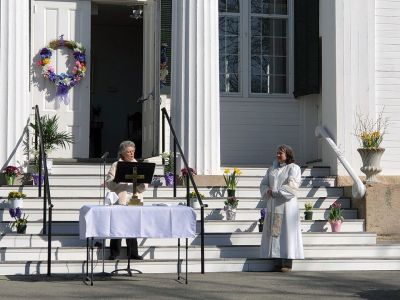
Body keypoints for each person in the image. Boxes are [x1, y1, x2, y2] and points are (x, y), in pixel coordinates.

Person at [259, 144, 304, 272]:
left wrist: (275, 192)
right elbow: (264, 184)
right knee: (276, 232)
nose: (278, 155)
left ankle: (287, 262)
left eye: (281, 153)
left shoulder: (294, 168)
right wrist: (267, 190)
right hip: (274, 205)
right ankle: (277, 260)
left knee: (287, 233)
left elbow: (292, 186)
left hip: (287, 206)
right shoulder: (272, 169)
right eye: (277, 153)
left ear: (288, 154)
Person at [106, 140, 146, 260]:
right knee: (117, 225)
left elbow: (144, 187)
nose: (131, 154)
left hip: (135, 199)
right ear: (122, 153)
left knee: (133, 226)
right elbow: (109, 184)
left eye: (133, 151)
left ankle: (133, 253)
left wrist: (141, 182)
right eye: (128, 152)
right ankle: (114, 253)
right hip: (121, 199)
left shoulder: (138, 165)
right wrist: (117, 180)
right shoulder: (116, 165)